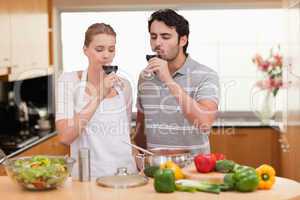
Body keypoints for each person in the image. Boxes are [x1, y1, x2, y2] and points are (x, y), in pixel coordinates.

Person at [55, 23, 136, 179]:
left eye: (111, 49)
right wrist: (99, 94)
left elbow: (124, 135)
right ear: (85, 50)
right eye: (99, 49)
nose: (106, 55)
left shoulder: (124, 86)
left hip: (126, 175)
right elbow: (65, 136)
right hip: (88, 177)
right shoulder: (68, 81)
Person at [135, 9, 220, 154]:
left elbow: (204, 123)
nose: (157, 43)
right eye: (153, 36)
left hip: (194, 171)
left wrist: (168, 80)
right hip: (156, 169)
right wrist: (142, 162)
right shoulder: (145, 76)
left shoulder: (206, 75)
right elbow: (141, 128)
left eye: (165, 37)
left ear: (183, 40)